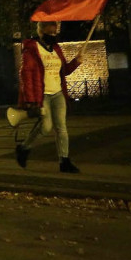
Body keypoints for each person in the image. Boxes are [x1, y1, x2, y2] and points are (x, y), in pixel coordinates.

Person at [15, 20, 83, 173]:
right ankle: (24, 148)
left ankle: (64, 161)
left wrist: (76, 62)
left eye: (55, 32)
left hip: (58, 93)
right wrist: (31, 100)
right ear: (41, 31)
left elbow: (63, 70)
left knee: (62, 128)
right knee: (46, 127)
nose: (53, 35)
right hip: (43, 94)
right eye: (50, 32)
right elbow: (27, 76)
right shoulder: (32, 50)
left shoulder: (56, 48)